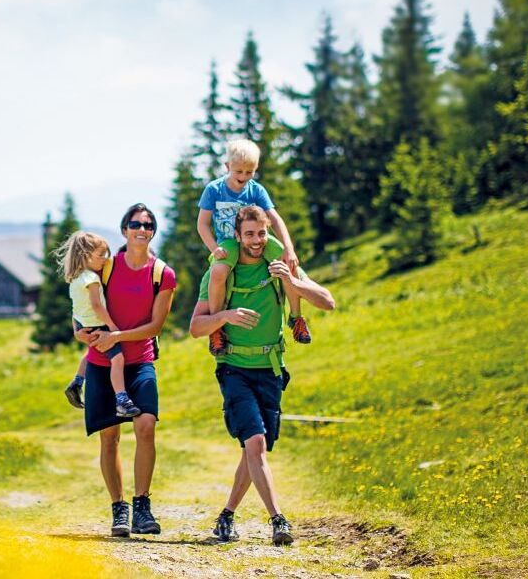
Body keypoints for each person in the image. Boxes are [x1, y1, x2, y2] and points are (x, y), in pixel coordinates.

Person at [190, 205, 335, 546]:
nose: (256, 241)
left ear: (267, 232)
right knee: (255, 443)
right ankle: (278, 520)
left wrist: (291, 279)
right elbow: (196, 327)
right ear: (237, 236)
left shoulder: (277, 264)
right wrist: (225, 316)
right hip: (234, 369)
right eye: (249, 235)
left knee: (253, 451)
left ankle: (226, 515)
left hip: (271, 370)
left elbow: (328, 302)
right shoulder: (222, 271)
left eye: (261, 233)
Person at [63, 203, 177, 537]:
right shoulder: (106, 266)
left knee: (145, 426)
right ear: (124, 230)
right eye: (135, 223)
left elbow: (155, 326)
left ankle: (142, 506)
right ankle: (119, 509)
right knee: (109, 438)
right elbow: (82, 301)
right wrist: (77, 330)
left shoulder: (162, 274)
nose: (142, 228)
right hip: (101, 361)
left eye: (148, 224)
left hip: (140, 360)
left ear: (153, 231)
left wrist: (117, 336)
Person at [198, 139, 312, 355]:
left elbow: (275, 219)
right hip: (229, 242)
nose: (243, 177)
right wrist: (214, 248)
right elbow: (202, 224)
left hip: (259, 238)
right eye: (238, 171)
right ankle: (216, 328)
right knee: (219, 271)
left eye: (249, 172)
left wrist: (289, 248)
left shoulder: (256, 190)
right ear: (227, 167)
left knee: (288, 265)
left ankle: (296, 317)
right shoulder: (214, 190)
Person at [55, 230, 138, 417]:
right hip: (97, 324)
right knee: (118, 359)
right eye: (101, 255)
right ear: (85, 255)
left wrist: (77, 327)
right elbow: (97, 305)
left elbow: (77, 306)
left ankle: (77, 382)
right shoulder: (92, 279)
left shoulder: (75, 278)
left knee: (91, 352)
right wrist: (112, 326)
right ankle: (122, 400)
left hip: (83, 322)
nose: (104, 259)